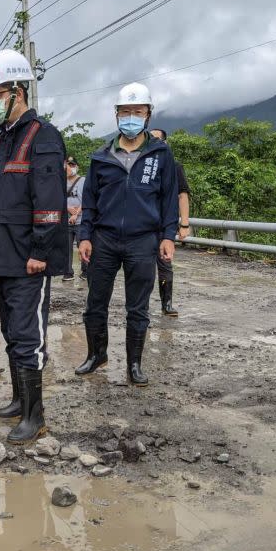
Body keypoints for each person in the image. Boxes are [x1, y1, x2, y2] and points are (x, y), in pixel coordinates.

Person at [0, 49, 67, 444]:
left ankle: (36, 416)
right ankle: (18, 400)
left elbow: (49, 203)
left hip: (29, 259)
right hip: (4, 257)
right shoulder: (2, 142)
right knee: (13, 331)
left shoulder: (41, 135)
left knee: (30, 337)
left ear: (18, 91)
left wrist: (40, 254)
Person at [75, 83, 178, 385]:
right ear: (116, 114)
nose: (131, 117)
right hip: (103, 240)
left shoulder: (160, 155)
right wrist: (84, 236)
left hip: (143, 240)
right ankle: (97, 354)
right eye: (125, 112)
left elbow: (169, 199)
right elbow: (89, 201)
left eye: (137, 111)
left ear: (148, 115)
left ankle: (134, 363)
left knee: (138, 306)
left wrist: (168, 236)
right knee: (95, 302)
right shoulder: (101, 156)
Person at [149, 128, 191, 316]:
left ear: (165, 143)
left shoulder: (174, 167)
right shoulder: (141, 166)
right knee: (142, 265)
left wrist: (184, 224)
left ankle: (167, 303)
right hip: (143, 225)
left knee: (165, 263)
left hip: (165, 225)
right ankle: (141, 304)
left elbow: (182, 195)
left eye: (157, 140)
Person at [63, 157, 86, 281]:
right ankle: (68, 272)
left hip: (81, 220)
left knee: (82, 245)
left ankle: (86, 271)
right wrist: (67, 208)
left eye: (72, 165)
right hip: (66, 220)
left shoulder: (83, 181)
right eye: (68, 164)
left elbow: (87, 199)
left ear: (77, 167)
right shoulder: (62, 182)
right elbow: (58, 199)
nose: (70, 167)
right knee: (66, 247)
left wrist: (76, 214)